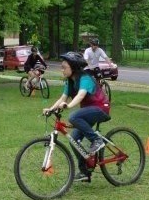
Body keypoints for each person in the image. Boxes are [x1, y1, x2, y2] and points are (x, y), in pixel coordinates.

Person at [43, 51, 111, 182]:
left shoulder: (85, 78)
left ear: (73, 67)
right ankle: (85, 171)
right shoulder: (70, 81)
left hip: (101, 108)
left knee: (73, 117)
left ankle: (97, 140)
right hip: (88, 112)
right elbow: (63, 98)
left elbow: (80, 95)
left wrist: (68, 106)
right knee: (73, 139)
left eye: (64, 67)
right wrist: (51, 109)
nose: (61, 69)